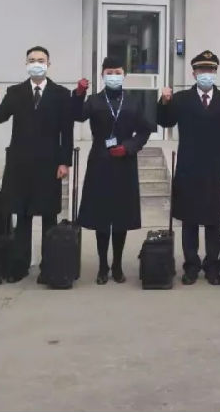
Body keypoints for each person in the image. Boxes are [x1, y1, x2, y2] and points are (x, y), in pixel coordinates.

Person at [0, 47, 74, 283]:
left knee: (48, 216)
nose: (36, 64)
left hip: (49, 164)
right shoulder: (15, 92)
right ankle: (20, 265)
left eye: (41, 60)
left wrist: (64, 162)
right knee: (22, 215)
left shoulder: (61, 94)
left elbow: (66, 132)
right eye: (32, 60)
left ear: (49, 64)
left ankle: (49, 266)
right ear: (26, 64)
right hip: (20, 163)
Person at [157, 50, 220, 285]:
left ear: (215, 72)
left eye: (210, 70)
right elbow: (165, 121)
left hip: (215, 168)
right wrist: (164, 102)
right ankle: (191, 265)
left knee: (213, 220)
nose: (206, 74)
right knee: (189, 219)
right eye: (202, 70)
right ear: (193, 73)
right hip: (189, 167)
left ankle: (213, 266)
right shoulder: (182, 99)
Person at [72, 56, 154, 284]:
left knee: (121, 216)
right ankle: (102, 266)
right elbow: (77, 115)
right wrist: (78, 94)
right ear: (102, 75)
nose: (113, 76)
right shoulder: (94, 101)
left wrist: (129, 147)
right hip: (100, 162)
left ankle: (117, 265)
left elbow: (145, 131)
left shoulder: (133, 102)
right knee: (101, 217)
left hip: (125, 163)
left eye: (117, 72)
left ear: (124, 75)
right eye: (109, 72)